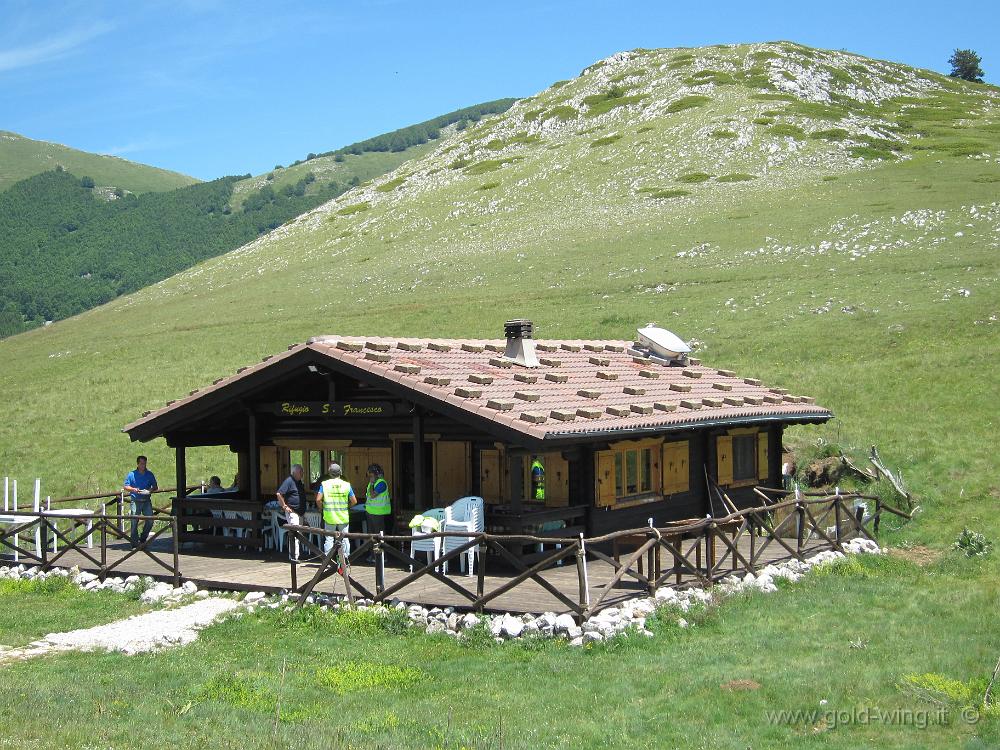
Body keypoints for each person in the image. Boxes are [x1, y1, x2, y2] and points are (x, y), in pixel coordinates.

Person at [316, 463, 357, 558]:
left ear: (329, 473)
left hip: (329, 516)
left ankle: (328, 561)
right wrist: (347, 506)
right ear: (340, 473)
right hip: (343, 516)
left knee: (329, 539)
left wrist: (322, 507)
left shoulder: (325, 484)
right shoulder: (347, 485)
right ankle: (346, 560)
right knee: (345, 539)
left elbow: (318, 499)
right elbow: (354, 501)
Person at [272, 464, 306, 560]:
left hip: (300, 512)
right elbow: (279, 493)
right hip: (293, 512)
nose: (302, 474)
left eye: (302, 472)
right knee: (294, 534)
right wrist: (284, 506)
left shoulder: (298, 482)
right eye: (301, 472)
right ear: (294, 472)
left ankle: (297, 555)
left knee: (299, 534)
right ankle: (293, 557)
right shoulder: (289, 481)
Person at [124, 455, 158, 549]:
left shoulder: (149, 474)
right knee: (134, 520)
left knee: (150, 520)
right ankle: (135, 543)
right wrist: (134, 489)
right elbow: (126, 486)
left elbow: (155, 486)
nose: (143, 465)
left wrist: (149, 490)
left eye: (145, 463)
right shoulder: (131, 474)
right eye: (142, 463)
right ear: (138, 464)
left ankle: (143, 538)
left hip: (146, 500)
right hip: (135, 500)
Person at [365, 464, 392, 535]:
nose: (369, 477)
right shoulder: (374, 482)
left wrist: (371, 483)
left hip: (378, 513)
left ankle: (380, 546)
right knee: (371, 535)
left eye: (370, 475)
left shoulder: (381, 483)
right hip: (370, 512)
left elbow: (372, 495)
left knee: (379, 535)